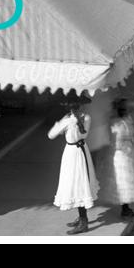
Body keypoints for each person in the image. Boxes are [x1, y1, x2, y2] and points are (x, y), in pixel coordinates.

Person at [47, 95, 98, 234]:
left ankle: (83, 221)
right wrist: (69, 122)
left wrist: (65, 122)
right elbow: (83, 135)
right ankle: (81, 217)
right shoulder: (85, 117)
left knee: (77, 183)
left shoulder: (70, 120)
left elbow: (51, 135)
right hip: (79, 152)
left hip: (74, 153)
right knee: (79, 183)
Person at [95, 96, 134, 220]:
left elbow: (129, 135)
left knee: (128, 181)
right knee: (124, 182)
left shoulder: (126, 120)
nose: (130, 113)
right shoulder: (116, 124)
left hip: (128, 154)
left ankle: (126, 208)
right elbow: (116, 142)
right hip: (121, 157)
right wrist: (127, 143)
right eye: (128, 110)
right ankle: (125, 209)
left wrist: (133, 140)